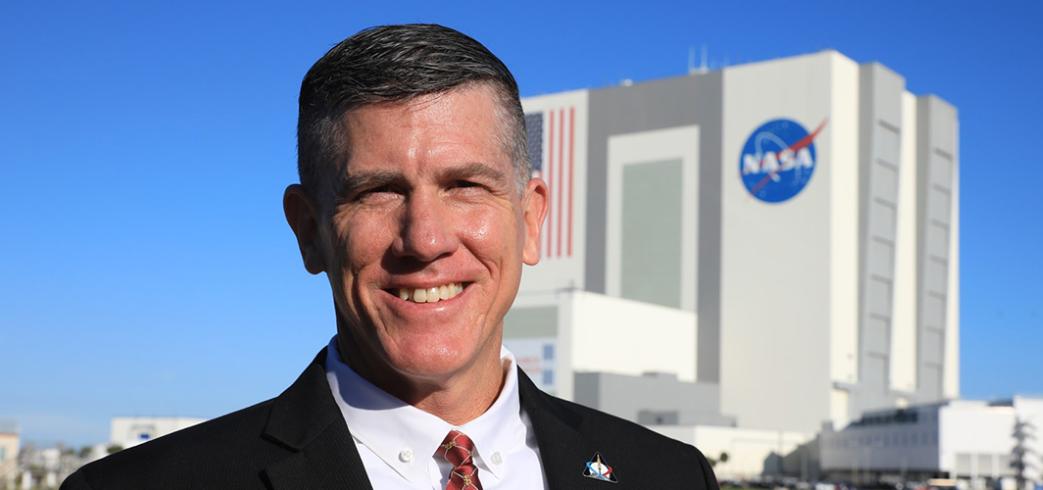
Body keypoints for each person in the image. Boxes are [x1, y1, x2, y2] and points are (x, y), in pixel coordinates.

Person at [62, 24, 718, 489]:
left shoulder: (668, 475)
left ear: (531, 217)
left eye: (465, 186)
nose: (426, 239)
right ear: (309, 231)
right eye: (377, 191)